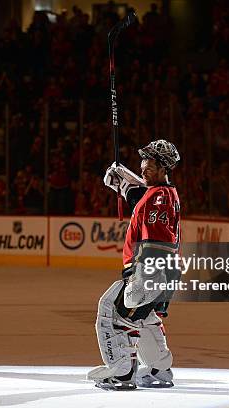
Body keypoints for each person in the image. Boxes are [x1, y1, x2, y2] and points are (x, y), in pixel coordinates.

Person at [87, 139, 181, 390]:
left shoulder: (158, 199)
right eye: (142, 161)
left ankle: (122, 373)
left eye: (149, 162)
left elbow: (158, 240)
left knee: (112, 312)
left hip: (150, 269)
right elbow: (139, 197)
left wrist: (144, 277)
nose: (142, 167)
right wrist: (123, 182)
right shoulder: (162, 193)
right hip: (164, 272)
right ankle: (158, 369)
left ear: (163, 167)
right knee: (147, 317)